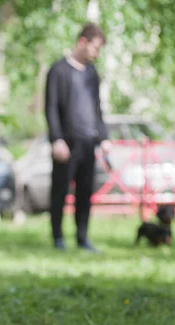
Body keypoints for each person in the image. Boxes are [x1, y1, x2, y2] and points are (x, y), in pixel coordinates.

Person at [45, 22, 112, 253]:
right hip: (66, 143)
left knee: (85, 193)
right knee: (60, 192)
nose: (97, 53)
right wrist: (56, 139)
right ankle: (58, 238)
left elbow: (97, 109)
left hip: (88, 143)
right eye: (95, 47)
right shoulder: (58, 70)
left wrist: (103, 138)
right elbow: (51, 108)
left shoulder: (92, 74)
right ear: (82, 42)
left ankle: (82, 238)